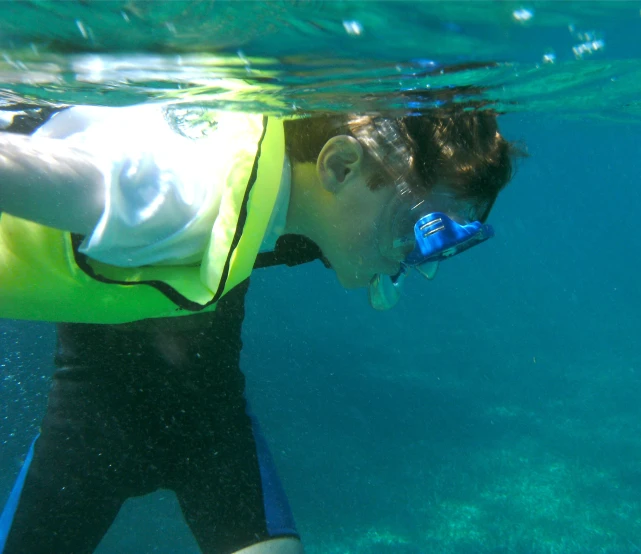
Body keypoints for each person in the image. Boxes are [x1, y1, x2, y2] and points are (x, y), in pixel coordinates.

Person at [0, 102, 520, 554]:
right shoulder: (183, 192)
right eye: (412, 228)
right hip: (96, 418)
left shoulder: (305, 205)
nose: (414, 259)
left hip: (205, 422)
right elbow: (76, 176)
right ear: (339, 165)